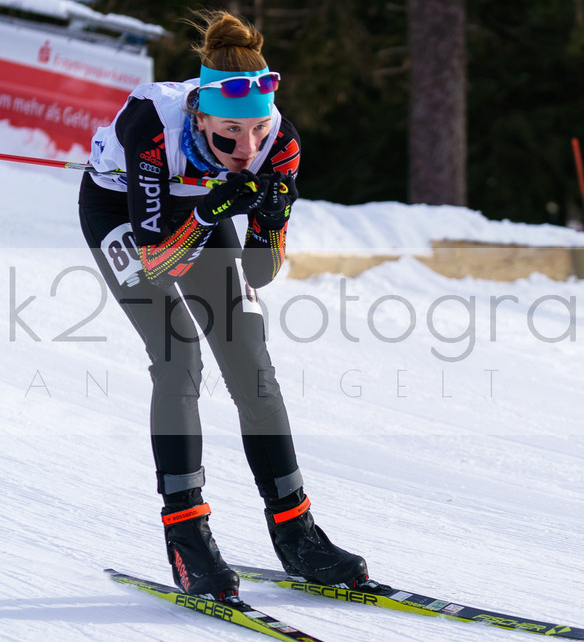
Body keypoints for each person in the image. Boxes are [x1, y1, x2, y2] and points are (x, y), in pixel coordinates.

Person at [78, 11, 368, 601]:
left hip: (196, 224)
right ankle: (187, 538)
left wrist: (268, 216)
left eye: (256, 133)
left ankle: (297, 533)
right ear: (198, 114)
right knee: (179, 358)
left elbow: (262, 270)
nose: (246, 148)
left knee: (253, 368)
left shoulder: (279, 145)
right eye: (228, 136)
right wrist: (213, 212)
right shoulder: (152, 128)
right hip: (123, 217)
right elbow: (160, 263)